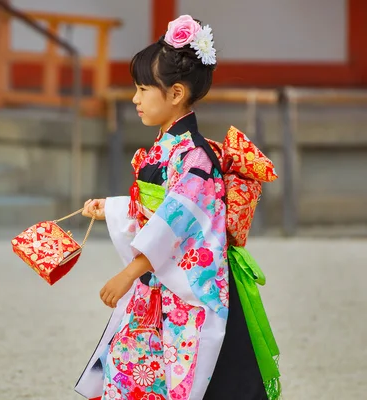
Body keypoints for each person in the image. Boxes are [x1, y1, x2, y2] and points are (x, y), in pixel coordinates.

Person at [74, 15, 281, 400]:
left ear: (175, 94)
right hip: (160, 279)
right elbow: (161, 209)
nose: (134, 98)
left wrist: (129, 273)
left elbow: (179, 221)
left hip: (183, 286)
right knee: (134, 366)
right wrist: (114, 209)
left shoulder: (195, 155)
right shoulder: (170, 148)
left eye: (141, 89)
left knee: (188, 375)